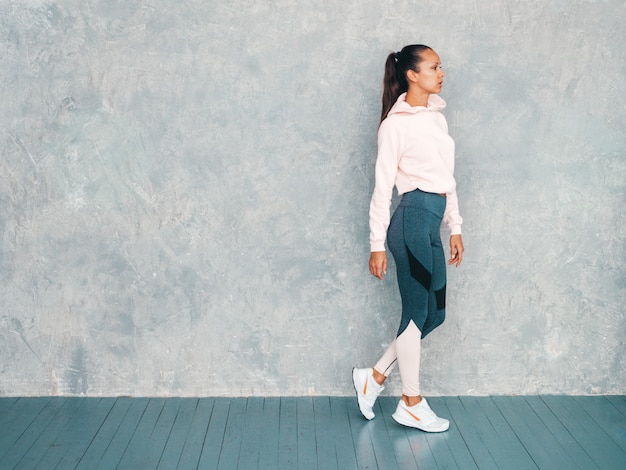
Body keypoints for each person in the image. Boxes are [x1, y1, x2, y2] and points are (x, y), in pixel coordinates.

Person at [352, 44, 464, 433]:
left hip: (431, 223)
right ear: (412, 75)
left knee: (435, 313)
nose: (441, 72)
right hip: (410, 222)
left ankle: (375, 376)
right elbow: (382, 189)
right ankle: (410, 402)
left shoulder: (436, 119)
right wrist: (376, 244)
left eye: (440, 65)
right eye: (434, 66)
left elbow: (446, 179)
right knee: (415, 314)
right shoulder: (395, 124)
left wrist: (456, 227)